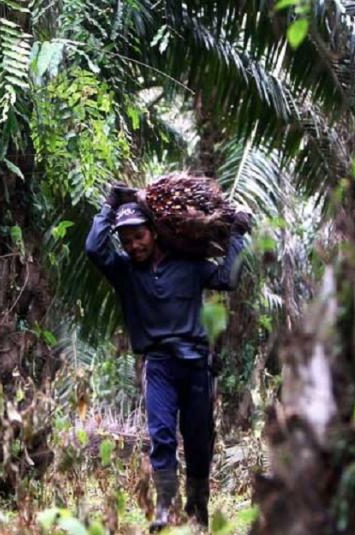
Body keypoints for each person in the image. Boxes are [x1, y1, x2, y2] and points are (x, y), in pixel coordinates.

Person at [85, 184, 251, 532]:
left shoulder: (189, 265)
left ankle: (198, 510)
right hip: (158, 365)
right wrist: (109, 203)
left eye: (139, 236)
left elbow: (227, 278)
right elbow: (93, 248)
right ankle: (164, 508)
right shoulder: (125, 272)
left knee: (197, 442)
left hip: (196, 366)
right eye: (127, 240)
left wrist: (237, 232)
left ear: (155, 233)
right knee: (161, 435)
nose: (133, 245)